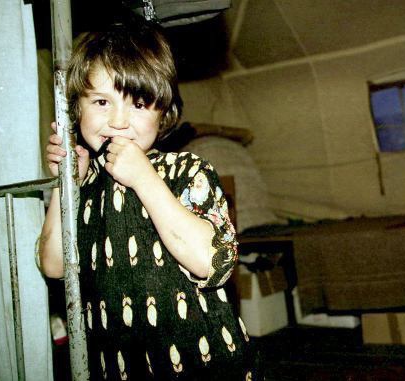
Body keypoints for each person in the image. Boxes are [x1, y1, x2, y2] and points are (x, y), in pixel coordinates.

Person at [39, 15, 261, 380]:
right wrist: (67, 185)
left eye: (138, 104)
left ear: (165, 113)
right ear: (77, 108)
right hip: (118, 366)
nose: (118, 121)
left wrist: (144, 178)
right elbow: (53, 266)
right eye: (100, 102)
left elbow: (214, 261)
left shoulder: (186, 170)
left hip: (202, 363)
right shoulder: (85, 185)